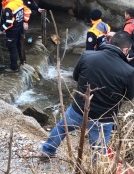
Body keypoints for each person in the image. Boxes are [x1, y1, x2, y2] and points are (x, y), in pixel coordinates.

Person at [40, 31, 134, 162]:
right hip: (104, 117)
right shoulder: (129, 71)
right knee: (99, 150)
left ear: (110, 42)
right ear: (125, 49)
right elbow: (128, 96)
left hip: (79, 108)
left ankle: (46, 152)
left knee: (62, 128)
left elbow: (75, 77)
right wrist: (126, 64)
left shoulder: (87, 55)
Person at [0, 0, 31, 72]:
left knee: (12, 48)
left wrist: (1, 30)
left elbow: (9, 22)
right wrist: (25, 21)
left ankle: (14, 67)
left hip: (13, 31)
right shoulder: (18, 1)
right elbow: (28, 11)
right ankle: (23, 61)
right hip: (20, 28)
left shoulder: (8, 7)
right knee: (19, 45)